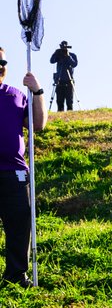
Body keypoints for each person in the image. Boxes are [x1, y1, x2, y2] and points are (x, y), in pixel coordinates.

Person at [0, 48, 46, 288]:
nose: (0, 65)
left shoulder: (15, 95)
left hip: (14, 173)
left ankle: (16, 276)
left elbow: (38, 124)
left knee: (19, 224)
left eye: (2, 61)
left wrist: (37, 90)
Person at [49, 41, 78, 112]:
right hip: (59, 81)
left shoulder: (72, 55)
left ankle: (70, 115)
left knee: (69, 101)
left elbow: (74, 64)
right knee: (59, 101)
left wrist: (68, 56)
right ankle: (60, 115)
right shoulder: (58, 55)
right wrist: (56, 53)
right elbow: (51, 61)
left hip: (69, 81)